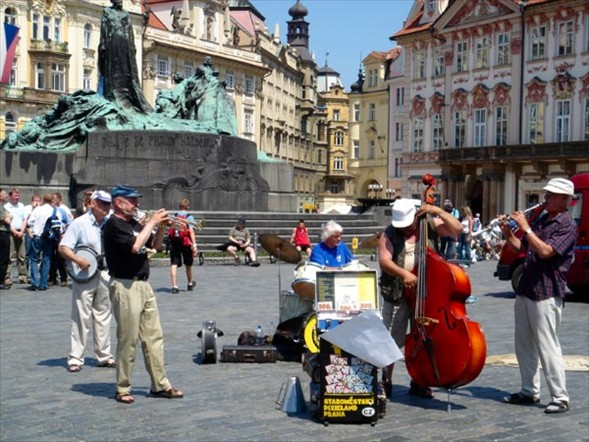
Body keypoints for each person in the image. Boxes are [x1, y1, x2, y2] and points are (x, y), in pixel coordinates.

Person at [499, 178, 577, 414]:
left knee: (547, 345)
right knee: (523, 343)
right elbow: (519, 247)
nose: (546, 198)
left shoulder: (567, 225)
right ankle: (528, 390)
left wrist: (527, 228)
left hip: (546, 290)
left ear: (565, 200)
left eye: (552, 195)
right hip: (526, 287)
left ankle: (560, 396)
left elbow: (544, 251)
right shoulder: (542, 218)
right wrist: (506, 230)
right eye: (547, 193)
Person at [103, 185, 183, 404]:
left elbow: (154, 246)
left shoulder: (134, 224)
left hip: (144, 285)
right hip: (125, 285)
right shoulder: (113, 225)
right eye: (132, 201)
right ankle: (122, 387)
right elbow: (135, 247)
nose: (137, 204)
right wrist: (151, 222)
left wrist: (162, 228)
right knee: (128, 339)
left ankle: (160, 385)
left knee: (154, 338)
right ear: (119, 202)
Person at [378, 198, 462, 398]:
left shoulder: (429, 225)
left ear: (416, 217)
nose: (405, 230)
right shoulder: (389, 233)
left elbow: (457, 229)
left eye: (408, 226)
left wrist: (437, 210)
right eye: (402, 227)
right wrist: (404, 274)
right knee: (391, 337)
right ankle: (386, 380)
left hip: (427, 294)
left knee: (426, 337)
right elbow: (384, 261)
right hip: (398, 292)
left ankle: (421, 380)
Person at [59, 190, 116, 373]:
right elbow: (64, 247)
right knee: (80, 316)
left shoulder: (111, 224)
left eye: (108, 204)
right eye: (102, 203)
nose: (106, 207)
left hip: (105, 273)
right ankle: (76, 358)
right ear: (92, 204)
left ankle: (104, 355)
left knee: (103, 315)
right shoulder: (79, 223)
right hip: (84, 274)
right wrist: (77, 260)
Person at [98, 0, 152, 114]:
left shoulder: (126, 14)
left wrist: (132, 48)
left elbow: (130, 32)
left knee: (126, 71)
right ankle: (113, 94)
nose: (120, 1)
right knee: (112, 71)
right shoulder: (107, 12)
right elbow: (104, 29)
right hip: (111, 44)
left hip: (124, 45)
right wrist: (103, 45)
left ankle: (126, 96)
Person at [26, 193, 56, 291]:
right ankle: (43, 284)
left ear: (43, 200)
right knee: (46, 259)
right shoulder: (54, 210)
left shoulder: (38, 209)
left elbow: (30, 222)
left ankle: (34, 282)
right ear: (52, 200)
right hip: (48, 238)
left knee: (34, 259)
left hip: (37, 236)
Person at [169, 198, 197, 293]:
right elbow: (191, 231)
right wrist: (194, 244)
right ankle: (189, 284)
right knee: (188, 264)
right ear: (188, 207)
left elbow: (170, 226)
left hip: (175, 242)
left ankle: (174, 286)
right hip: (185, 242)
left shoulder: (174, 216)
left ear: (179, 206)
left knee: (174, 264)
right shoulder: (189, 217)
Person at [4, 188, 28, 285]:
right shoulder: (6, 207)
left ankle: (23, 276)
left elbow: (25, 219)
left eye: (18, 196)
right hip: (10, 232)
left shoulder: (21, 206)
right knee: (10, 256)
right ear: (10, 196)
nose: (17, 198)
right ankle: (7, 276)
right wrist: (14, 231)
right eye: (15, 196)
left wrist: (22, 231)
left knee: (22, 256)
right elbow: (7, 222)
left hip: (20, 231)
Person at [48, 192, 73, 288]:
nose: (53, 201)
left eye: (54, 199)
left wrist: (64, 234)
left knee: (60, 258)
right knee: (50, 258)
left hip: (59, 237)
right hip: (50, 238)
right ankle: (52, 278)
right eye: (52, 199)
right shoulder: (48, 211)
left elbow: (70, 222)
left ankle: (63, 278)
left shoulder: (61, 211)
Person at [23, 194, 41, 273]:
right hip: (29, 231)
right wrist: (28, 231)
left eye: (38, 201)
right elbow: (25, 221)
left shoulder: (42, 209)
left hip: (38, 233)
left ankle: (36, 272)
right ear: (32, 201)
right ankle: (26, 272)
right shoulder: (27, 208)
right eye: (35, 201)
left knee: (38, 254)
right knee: (27, 253)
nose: (36, 202)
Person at [0, 189, 12, 290]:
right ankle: (1, 281)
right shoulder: (0, 207)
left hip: (3, 233)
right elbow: (7, 220)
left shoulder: (3, 207)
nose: (6, 196)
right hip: (2, 233)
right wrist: (9, 216)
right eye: (4, 195)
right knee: (3, 258)